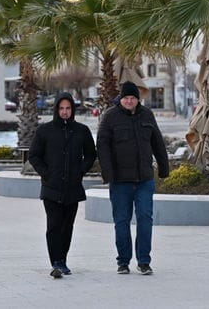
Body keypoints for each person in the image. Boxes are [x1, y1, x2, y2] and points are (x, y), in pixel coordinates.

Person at [96, 81, 170, 275]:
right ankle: (123, 261)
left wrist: (164, 168)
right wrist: (108, 173)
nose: (129, 101)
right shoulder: (110, 117)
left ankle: (144, 261)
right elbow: (102, 146)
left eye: (133, 98)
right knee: (122, 221)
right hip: (120, 181)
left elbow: (157, 142)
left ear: (138, 99)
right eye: (126, 98)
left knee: (145, 219)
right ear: (121, 98)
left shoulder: (147, 115)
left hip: (144, 179)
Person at [27, 93, 96, 279]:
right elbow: (33, 155)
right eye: (61, 108)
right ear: (56, 110)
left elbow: (91, 154)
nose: (65, 112)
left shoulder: (82, 130)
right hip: (51, 187)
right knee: (53, 226)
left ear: (72, 110)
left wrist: (80, 171)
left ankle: (63, 260)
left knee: (67, 226)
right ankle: (55, 262)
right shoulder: (44, 131)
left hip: (73, 187)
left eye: (68, 108)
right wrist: (46, 173)